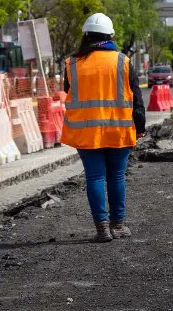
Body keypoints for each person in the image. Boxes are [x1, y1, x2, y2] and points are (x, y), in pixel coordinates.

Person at [61, 13, 146, 243]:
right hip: (118, 129)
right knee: (116, 177)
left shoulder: (71, 63)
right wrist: (140, 126)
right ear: (110, 36)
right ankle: (118, 225)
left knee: (95, 178)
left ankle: (102, 229)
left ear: (86, 35)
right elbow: (137, 99)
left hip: (86, 132)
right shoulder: (122, 61)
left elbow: (68, 90)